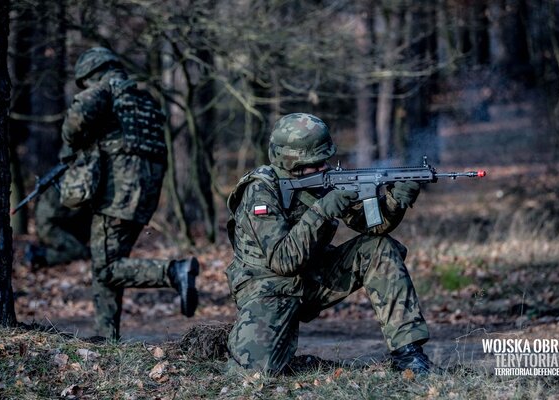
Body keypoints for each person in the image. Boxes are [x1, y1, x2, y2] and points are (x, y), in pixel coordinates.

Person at [225, 113, 433, 375]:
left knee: (379, 248)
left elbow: (371, 226)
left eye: (324, 160)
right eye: (315, 163)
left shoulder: (323, 180)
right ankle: (237, 337)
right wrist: (321, 212)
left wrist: (394, 202)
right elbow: (283, 260)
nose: (323, 167)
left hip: (314, 276)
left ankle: (409, 355)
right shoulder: (260, 190)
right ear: (292, 162)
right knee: (252, 373)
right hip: (267, 288)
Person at [60, 46, 199, 339]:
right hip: (144, 193)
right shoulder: (142, 99)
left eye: (85, 82)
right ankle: (105, 336)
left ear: (92, 74)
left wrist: (74, 144)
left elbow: (74, 124)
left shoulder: (104, 90)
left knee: (107, 268)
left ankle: (175, 271)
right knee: (109, 262)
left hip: (117, 194)